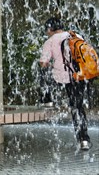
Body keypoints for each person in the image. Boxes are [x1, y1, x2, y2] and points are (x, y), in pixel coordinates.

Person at [39, 17, 91, 150]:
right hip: (80, 76)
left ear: (50, 29)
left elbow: (44, 63)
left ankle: (47, 100)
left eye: (47, 30)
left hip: (62, 78)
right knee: (77, 107)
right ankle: (83, 139)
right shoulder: (75, 35)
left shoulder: (50, 41)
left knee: (42, 71)